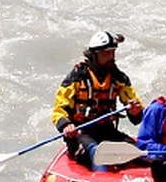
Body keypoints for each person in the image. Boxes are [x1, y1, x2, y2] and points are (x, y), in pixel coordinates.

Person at [53, 31, 142, 164]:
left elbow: (136, 111)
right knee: (95, 153)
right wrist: (66, 125)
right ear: (94, 55)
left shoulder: (119, 78)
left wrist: (135, 111)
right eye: (106, 53)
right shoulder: (78, 76)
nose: (111, 56)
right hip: (81, 132)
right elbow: (59, 109)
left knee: (136, 154)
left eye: (113, 52)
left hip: (107, 131)